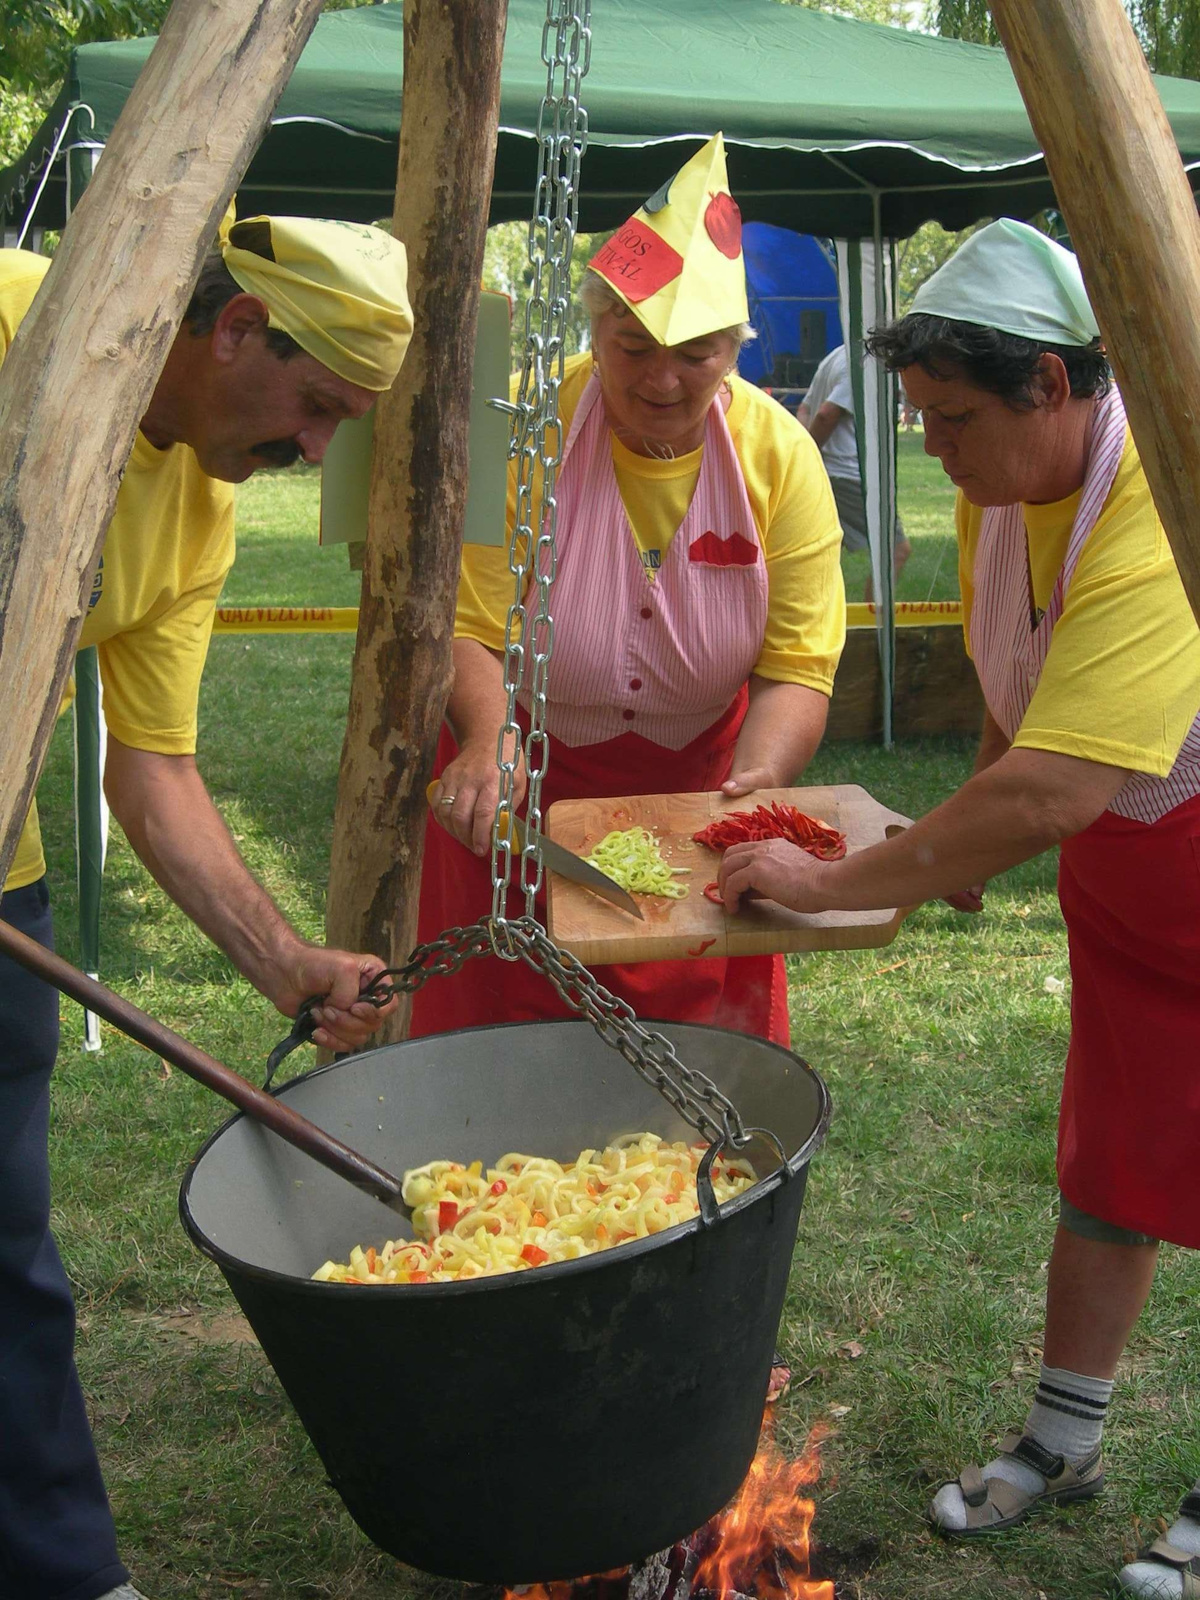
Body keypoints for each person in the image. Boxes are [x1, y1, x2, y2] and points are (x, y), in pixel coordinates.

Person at [715, 219, 1200, 1600]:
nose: (931, 448)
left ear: (1055, 386)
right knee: (1111, 1161)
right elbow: (1020, 682)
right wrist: (965, 819)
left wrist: (837, 878)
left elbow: (1059, 784)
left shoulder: (1160, 500)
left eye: (953, 418)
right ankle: (1066, 1438)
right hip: (1137, 879)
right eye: (918, 418)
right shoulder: (1011, 490)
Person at [0, 209, 413, 1600]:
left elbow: (153, 768)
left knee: (5, 1257)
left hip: (3, 881)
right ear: (235, 327)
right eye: (312, 408)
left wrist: (288, 962)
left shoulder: (200, 510)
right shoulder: (11, 325)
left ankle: (61, 1575)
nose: (312, 451)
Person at [412, 133, 845, 1045]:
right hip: (523, 802)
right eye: (633, 345)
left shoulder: (779, 456)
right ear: (594, 330)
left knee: (701, 1070)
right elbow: (469, 623)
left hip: (700, 798)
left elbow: (799, 664)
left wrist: (753, 789)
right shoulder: (524, 430)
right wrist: (490, 738)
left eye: (698, 352)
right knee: (503, 1064)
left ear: (736, 345)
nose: (662, 379)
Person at [797, 340, 912, 600]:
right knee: (896, 550)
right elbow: (826, 414)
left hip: (829, 474)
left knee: (818, 552)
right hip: (849, 475)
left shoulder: (835, 355)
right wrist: (806, 457)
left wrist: (805, 453)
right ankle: (876, 630)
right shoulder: (864, 362)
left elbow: (805, 409)